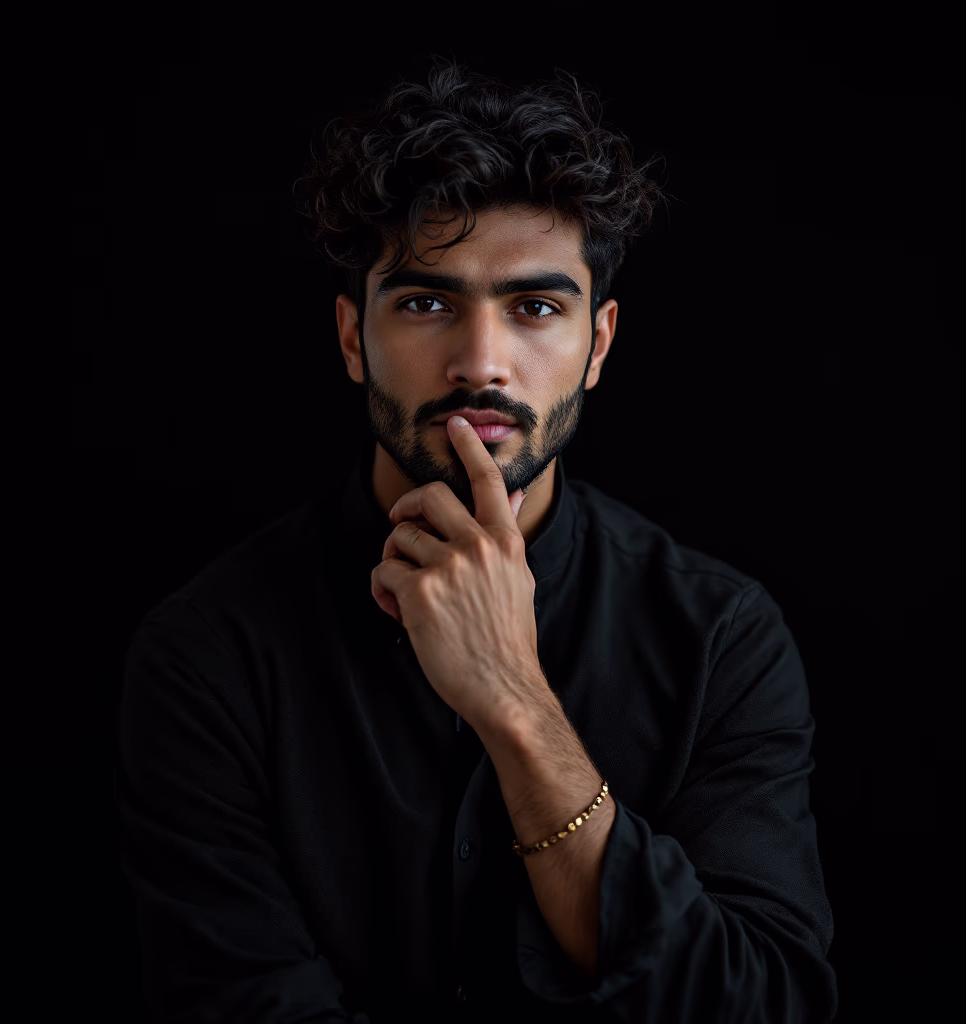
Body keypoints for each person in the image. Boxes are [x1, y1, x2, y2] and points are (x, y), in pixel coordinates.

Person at [116, 57, 838, 1023]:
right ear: (350, 337)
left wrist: (513, 701)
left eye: (535, 308)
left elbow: (762, 1004)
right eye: (425, 303)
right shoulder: (209, 654)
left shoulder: (721, 639)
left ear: (599, 345)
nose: (481, 362)